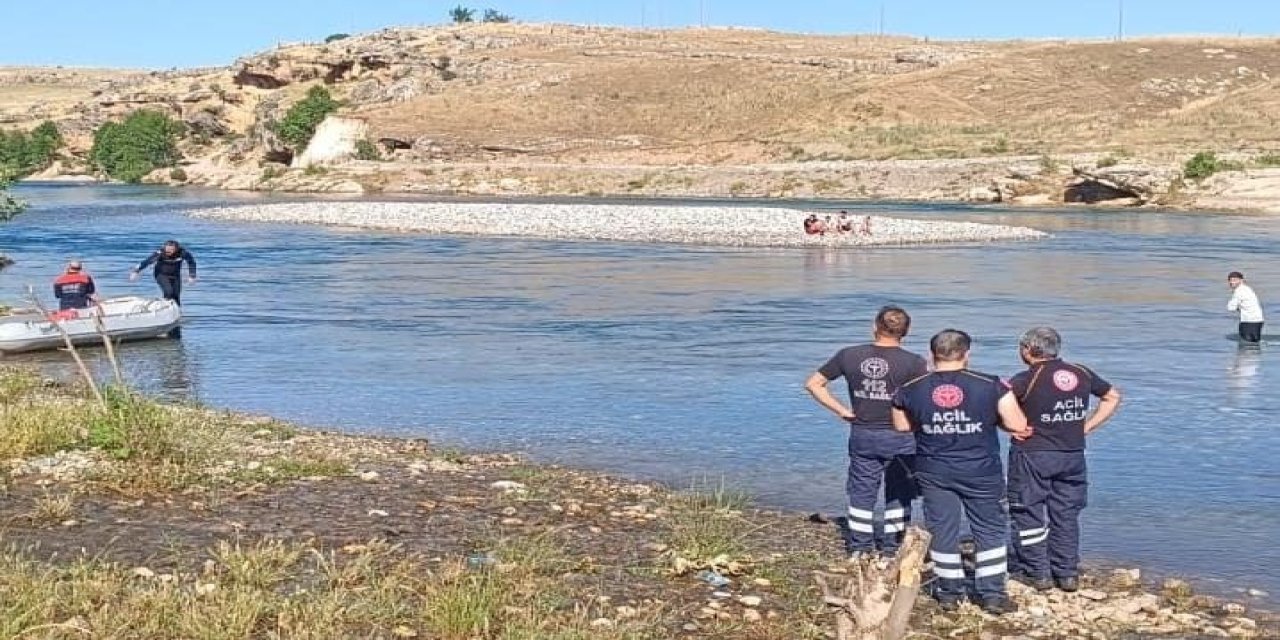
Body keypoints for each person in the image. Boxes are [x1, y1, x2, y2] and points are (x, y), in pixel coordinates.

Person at [892, 329, 1032, 614]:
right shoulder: (992, 385)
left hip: (933, 469)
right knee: (990, 529)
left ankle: (949, 592)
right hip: (981, 469)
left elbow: (902, 426)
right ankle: (992, 594)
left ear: (932, 355)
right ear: (967, 354)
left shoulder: (911, 387)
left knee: (943, 529)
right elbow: (1018, 424)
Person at [805, 306, 929, 559]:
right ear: (906, 332)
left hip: (863, 432)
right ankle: (891, 548)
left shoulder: (849, 355)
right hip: (901, 435)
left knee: (862, 491)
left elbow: (814, 384)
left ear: (875, 327)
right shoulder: (914, 362)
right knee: (899, 492)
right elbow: (924, 402)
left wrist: (842, 411)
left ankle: (860, 548)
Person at [1006, 328, 1121, 593]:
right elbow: (1112, 396)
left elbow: (1000, 402)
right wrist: (1088, 425)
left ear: (1027, 350)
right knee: (1066, 513)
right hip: (1072, 454)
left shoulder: (1026, 379)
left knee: (1028, 511)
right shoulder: (1081, 372)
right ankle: (1067, 572)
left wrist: (1012, 426)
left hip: (1033, 454)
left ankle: (1038, 573)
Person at [131, 240, 197, 304]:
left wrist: (192, 275)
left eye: (171, 250)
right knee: (169, 292)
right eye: (167, 249)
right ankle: (165, 306)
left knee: (176, 295)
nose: (168, 251)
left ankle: (177, 311)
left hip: (176, 275)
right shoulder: (160, 253)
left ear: (176, 249)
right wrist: (136, 271)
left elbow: (191, 263)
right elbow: (147, 261)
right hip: (161, 275)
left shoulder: (183, 253)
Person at [1226, 271, 1264, 343]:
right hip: (1258, 320)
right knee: (1255, 344)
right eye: (1230, 280)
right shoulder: (1247, 289)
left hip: (1248, 321)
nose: (1232, 282)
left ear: (1241, 280)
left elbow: (1231, 308)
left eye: (1234, 280)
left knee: (1246, 345)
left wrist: (1236, 307)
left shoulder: (1239, 291)